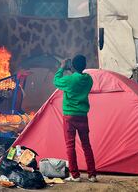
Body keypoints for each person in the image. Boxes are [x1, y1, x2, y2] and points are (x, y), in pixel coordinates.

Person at [53, 54, 97, 182]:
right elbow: (79, 79)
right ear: (85, 66)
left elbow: (56, 81)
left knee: (70, 146)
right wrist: (72, 70)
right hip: (82, 116)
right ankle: (92, 174)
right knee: (86, 145)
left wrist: (62, 67)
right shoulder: (88, 79)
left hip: (69, 116)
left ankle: (75, 175)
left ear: (72, 66)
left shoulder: (69, 80)